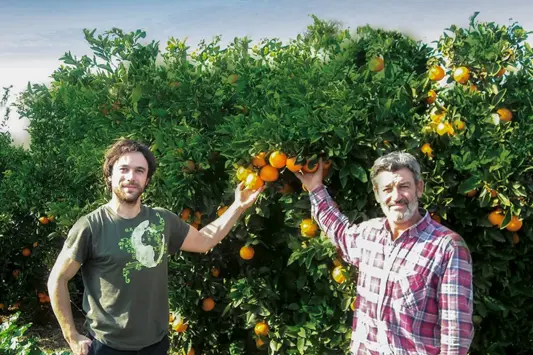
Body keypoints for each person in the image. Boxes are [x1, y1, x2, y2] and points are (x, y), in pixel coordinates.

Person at [47, 138, 264, 355]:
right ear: (110, 175)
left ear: (147, 179)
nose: (131, 177)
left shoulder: (162, 221)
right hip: (107, 346)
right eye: (124, 169)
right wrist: (72, 336)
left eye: (139, 171)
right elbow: (58, 279)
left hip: (156, 346)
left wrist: (238, 206)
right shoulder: (92, 226)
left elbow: (205, 240)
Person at [294, 151, 474, 355]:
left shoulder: (447, 247)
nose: (396, 196)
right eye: (387, 188)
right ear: (377, 194)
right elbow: (340, 232)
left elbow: (455, 337)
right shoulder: (368, 234)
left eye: (404, 186)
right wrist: (315, 188)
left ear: (419, 188)